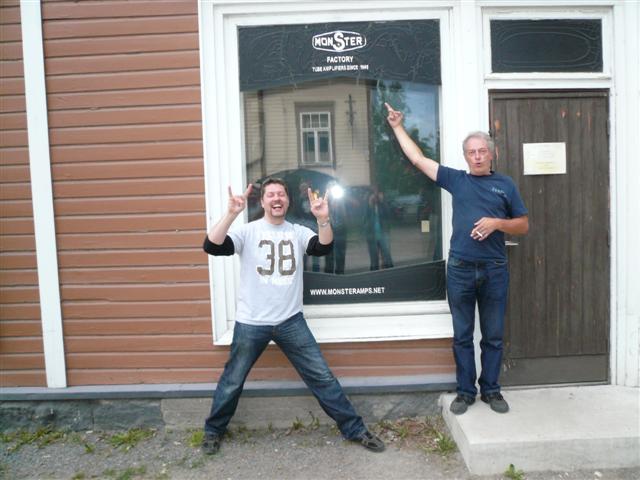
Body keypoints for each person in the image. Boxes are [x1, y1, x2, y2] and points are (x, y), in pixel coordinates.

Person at [201, 178, 385, 454]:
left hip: (290, 321)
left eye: (281, 194)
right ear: (262, 201)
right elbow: (212, 246)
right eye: (271, 194)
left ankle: (355, 429)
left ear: (287, 201)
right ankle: (213, 431)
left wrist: (323, 219)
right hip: (251, 322)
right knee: (232, 381)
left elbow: (323, 248)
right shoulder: (247, 232)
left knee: (322, 377)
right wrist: (230, 214)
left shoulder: (298, 231)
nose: (277, 198)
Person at [385, 103, 529, 415]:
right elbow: (418, 159)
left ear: (491, 154)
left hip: (494, 270)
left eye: (482, 151)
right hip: (460, 269)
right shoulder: (457, 180)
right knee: (462, 336)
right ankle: (466, 392)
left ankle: (491, 390)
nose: (477, 156)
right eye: (471, 152)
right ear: (465, 156)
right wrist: (397, 127)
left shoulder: (505, 185)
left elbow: (523, 225)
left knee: (493, 336)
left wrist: (497, 223)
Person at [364, 185, 394, 270]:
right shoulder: (367, 204)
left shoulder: (382, 204)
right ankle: (374, 274)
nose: (375, 195)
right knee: (374, 257)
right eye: (373, 193)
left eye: (377, 192)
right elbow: (364, 218)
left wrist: (382, 202)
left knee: (387, 255)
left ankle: (390, 272)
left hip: (383, 233)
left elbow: (388, 215)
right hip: (371, 234)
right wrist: (370, 205)